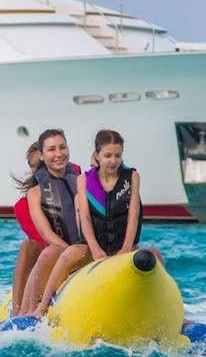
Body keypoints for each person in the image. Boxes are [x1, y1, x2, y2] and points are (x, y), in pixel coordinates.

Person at [32, 129, 145, 317]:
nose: (113, 160)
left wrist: (126, 248)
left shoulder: (131, 177)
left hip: (124, 247)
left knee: (154, 255)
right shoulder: (84, 180)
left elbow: (134, 213)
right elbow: (84, 217)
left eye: (118, 155)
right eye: (107, 155)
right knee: (69, 254)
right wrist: (94, 248)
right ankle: (42, 307)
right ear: (97, 155)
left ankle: (179, 317)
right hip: (94, 249)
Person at [15, 129, 82, 316]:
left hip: (82, 250)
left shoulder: (82, 181)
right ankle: (22, 311)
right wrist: (68, 252)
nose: (58, 154)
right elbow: (45, 235)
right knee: (36, 248)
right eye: (51, 150)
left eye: (62, 148)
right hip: (56, 252)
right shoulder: (32, 196)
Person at [9, 142, 44, 310]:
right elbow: (41, 241)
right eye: (38, 167)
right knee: (28, 245)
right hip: (47, 258)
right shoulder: (23, 206)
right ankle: (17, 311)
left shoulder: (75, 185)